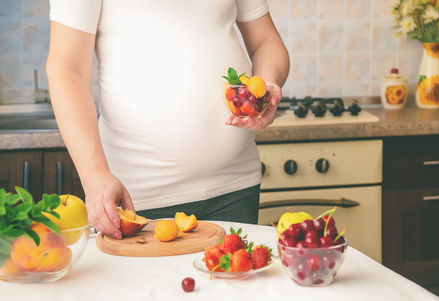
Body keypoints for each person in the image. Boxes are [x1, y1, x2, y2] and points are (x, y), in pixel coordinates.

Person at [46, 0, 289, 239]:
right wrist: (94, 175)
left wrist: (265, 86)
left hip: (235, 187)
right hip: (138, 197)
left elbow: (266, 42)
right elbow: (67, 69)